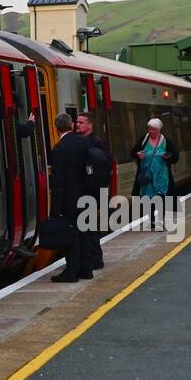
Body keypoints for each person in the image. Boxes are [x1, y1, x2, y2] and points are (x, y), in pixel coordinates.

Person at [49, 112, 93, 282]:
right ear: (72, 125)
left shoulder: (58, 149)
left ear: (56, 128)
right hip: (85, 196)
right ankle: (86, 270)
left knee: (71, 236)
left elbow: (58, 182)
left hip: (69, 200)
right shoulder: (84, 143)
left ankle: (71, 272)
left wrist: (55, 208)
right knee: (84, 233)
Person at [130, 117, 179, 231]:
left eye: (153, 129)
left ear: (159, 130)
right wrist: (138, 155)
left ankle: (160, 221)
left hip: (162, 177)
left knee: (161, 198)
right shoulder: (144, 139)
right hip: (147, 176)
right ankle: (151, 220)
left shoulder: (166, 141)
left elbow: (175, 157)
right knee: (148, 198)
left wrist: (167, 157)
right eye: (150, 129)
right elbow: (132, 152)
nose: (151, 131)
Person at [75, 111, 110, 269]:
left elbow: (102, 168)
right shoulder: (82, 141)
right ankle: (90, 258)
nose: (77, 125)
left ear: (90, 125)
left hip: (91, 192)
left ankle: (95, 259)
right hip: (86, 191)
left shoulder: (96, 143)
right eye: (77, 122)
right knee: (86, 227)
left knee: (90, 228)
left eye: (81, 122)